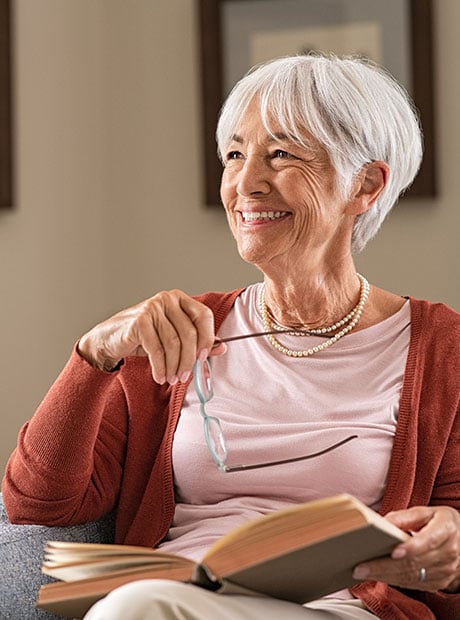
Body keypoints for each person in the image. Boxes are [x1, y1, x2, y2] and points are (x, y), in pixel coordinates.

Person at [2, 53, 460, 619]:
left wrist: (452, 547)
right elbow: (37, 504)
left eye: (282, 155)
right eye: (235, 155)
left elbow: (450, 541)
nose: (246, 184)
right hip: (178, 597)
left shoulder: (443, 350)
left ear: (364, 184)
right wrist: (93, 355)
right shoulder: (177, 332)